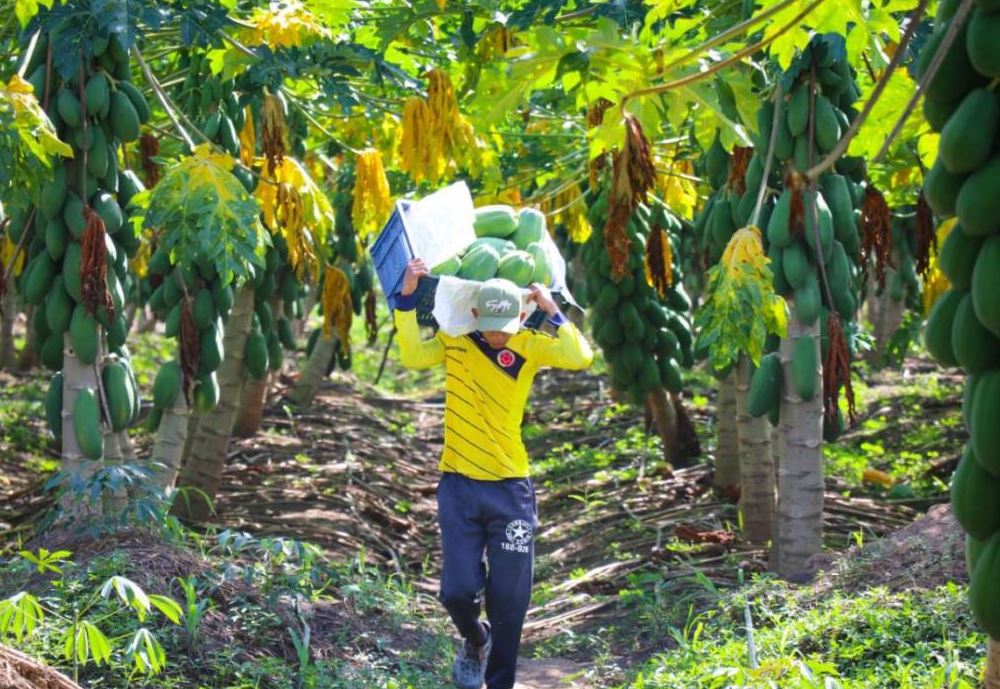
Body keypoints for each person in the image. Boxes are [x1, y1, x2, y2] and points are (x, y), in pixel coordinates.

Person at [394, 258, 593, 689]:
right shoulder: (456, 341)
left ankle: (499, 682)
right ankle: (475, 638)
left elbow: (581, 356)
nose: (499, 332)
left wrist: (552, 310)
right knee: (456, 592)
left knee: (509, 599)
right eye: (491, 324)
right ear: (474, 315)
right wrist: (407, 297)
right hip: (460, 487)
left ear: (521, 316)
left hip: (509, 490)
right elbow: (411, 355)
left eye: (508, 323)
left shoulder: (530, 345)